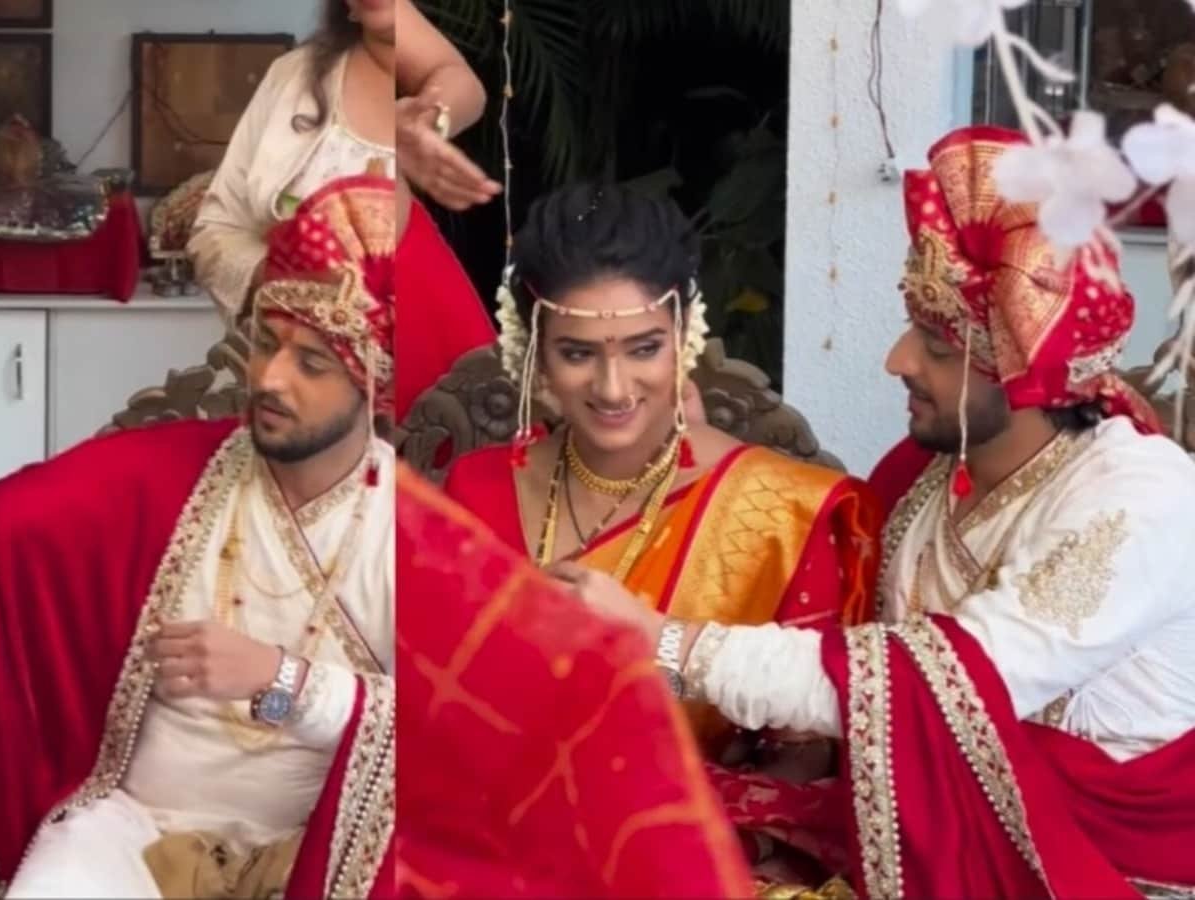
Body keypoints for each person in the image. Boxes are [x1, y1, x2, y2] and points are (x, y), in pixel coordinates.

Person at [569, 127, 1195, 898]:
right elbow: (834, 596)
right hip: (930, 829)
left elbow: (932, 686)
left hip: (1099, 871)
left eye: (937, 345)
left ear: (1023, 371)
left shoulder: (1139, 500)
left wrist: (664, 644)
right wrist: (706, 455)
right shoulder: (933, 473)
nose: (898, 360)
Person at [0, 176, 397, 898]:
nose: (269, 378)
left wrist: (282, 681)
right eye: (266, 343)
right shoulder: (165, 472)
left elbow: (454, 737)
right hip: (134, 829)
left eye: (313, 363)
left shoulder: (413, 530)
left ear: (375, 385)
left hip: (329, 850)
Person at [441, 181, 880, 884]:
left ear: (685, 335)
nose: (614, 388)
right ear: (534, 353)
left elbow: (805, 757)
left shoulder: (779, 513)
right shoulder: (476, 491)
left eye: (644, 348)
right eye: (578, 354)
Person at [395, 464, 753, 897]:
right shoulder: (473, 487)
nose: (611, 393)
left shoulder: (767, 503)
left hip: (628, 797)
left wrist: (655, 639)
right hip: (466, 795)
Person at [189, 0, 497, 419]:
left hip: (426, 364)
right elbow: (215, 228)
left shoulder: (428, 92)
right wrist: (289, 280)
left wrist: (425, 126)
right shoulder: (293, 78)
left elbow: (460, 83)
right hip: (295, 374)